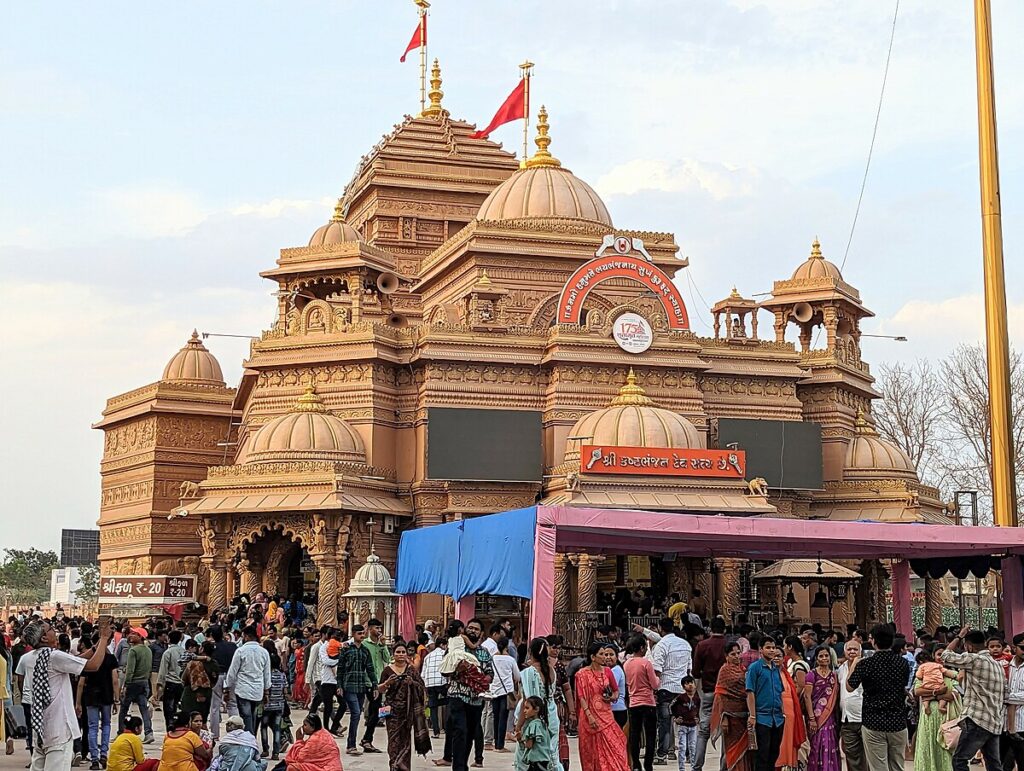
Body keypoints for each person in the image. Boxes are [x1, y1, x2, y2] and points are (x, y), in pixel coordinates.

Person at [24, 616, 116, 771]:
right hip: (59, 729)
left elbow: (74, 660)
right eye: (51, 629)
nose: (55, 631)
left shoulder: (33, 657)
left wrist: (98, 645)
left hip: (40, 729)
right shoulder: (54, 656)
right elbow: (93, 666)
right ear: (45, 637)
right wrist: (105, 638)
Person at [846, 624, 911, 771]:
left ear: (874, 641)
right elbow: (904, 684)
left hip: (873, 722)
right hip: (897, 721)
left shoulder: (866, 664)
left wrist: (854, 665)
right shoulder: (903, 663)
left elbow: (850, 687)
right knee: (897, 765)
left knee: (878, 767)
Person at [942, 627, 1007, 771]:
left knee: (959, 760)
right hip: (994, 721)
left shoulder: (974, 659)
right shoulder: (998, 666)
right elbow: (1005, 693)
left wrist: (959, 636)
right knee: (994, 764)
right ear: (985, 643)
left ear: (968, 646)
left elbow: (945, 655)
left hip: (976, 720)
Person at [441, 619, 493, 771]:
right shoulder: (455, 646)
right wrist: (458, 669)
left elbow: (490, 674)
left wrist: (480, 679)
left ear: (481, 633)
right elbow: (445, 670)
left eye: (476, 629)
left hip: (476, 700)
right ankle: (458, 767)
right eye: (470, 628)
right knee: (460, 731)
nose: (472, 631)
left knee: (470, 733)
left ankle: (462, 764)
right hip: (457, 696)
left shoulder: (484, 653)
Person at [574, 640, 630, 771]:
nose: (605, 657)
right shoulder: (581, 674)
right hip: (589, 716)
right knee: (590, 750)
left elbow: (616, 691)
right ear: (593, 657)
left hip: (606, 715)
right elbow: (581, 697)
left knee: (616, 744)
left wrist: (612, 697)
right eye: (602, 654)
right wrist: (589, 716)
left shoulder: (607, 672)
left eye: (607, 654)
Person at [379, 641, 431, 771]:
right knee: (393, 742)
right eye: (398, 652)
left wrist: (411, 682)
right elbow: (379, 689)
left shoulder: (411, 670)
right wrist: (388, 682)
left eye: (403, 652)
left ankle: (404, 768)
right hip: (392, 712)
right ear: (393, 654)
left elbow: (422, 688)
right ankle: (394, 766)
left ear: (406, 654)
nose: (401, 655)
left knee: (405, 742)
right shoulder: (387, 670)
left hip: (407, 712)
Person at [515, 637, 560, 771]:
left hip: (534, 720)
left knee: (527, 758)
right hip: (551, 718)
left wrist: (518, 727)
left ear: (530, 652)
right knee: (551, 755)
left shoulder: (528, 673)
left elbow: (528, 702)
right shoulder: (551, 670)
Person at [653, 617, 693, 765]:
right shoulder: (685, 644)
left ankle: (662, 755)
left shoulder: (661, 645)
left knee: (664, 722)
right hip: (683, 687)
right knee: (686, 721)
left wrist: (654, 689)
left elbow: (657, 670)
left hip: (666, 687)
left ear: (660, 628)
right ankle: (689, 754)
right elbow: (689, 668)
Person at [76, 632, 119, 770]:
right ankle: (104, 754)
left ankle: (94, 759)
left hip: (90, 696)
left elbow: (81, 683)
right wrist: (116, 699)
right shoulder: (111, 659)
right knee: (106, 725)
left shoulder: (88, 660)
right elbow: (115, 680)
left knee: (92, 727)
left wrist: (77, 702)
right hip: (106, 696)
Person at [913, 648, 960, 771]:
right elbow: (917, 691)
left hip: (947, 717)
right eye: (939, 654)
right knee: (928, 746)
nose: (941, 657)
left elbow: (952, 695)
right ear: (933, 655)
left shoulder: (952, 674)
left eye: (945, 655)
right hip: (928, 717)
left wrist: (929, 695)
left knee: (947, 745)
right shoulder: (924, 673)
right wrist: (937, 693)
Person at [337, 623, 379, 756]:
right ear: (353, 635)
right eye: (359, 634)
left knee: (357, 714)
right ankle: (351, 745)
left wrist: (374, 685)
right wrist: (339, 686)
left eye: (363, 633)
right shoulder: (346, 650)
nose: (362, 636)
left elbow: (370, 669)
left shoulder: (365, 651)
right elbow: (341, 669)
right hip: (349, 686)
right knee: (355, 713)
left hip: (361, 686)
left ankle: (352, 744)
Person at [693, 617, 729, 771]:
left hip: (708, 691)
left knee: (703, 732)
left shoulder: (702, 645)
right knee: (727, 732)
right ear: (725, 630)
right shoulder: (729, 645)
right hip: (726, 693)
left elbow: (695, 672)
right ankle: (724, 767)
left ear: (710, 630)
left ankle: (697, 766)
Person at [223, 625, 271, 737]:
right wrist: (267, 691)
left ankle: (249, 740)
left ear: (247, 637)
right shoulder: (264, 652)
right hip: (258, 690)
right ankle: (251, 738)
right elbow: (267, 674)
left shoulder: (240, 651)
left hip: (243, 689)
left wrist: (227, 688)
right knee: (253, 716)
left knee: (246, 716)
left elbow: (232, 672)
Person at [709, 641, 750, 771]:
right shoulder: (724, 671)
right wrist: (724, 717)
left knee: (745, 750)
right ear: (726, 656)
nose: (737, 656)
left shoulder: (743, 669)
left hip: (744, 716)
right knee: (731, 750)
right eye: (733, 654)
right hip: (731, 718)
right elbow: (720, 696)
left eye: (738, 653)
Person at [746, 636, 785, 771]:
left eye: (773, 647)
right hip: (762, 718)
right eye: (768, 647)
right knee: (762, 754)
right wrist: (752, 716)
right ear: (760, 649)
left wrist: (783, 713)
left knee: (774, 753)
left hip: (778, 718)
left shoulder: (776, 668)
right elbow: (750, 692)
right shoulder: (755, 668)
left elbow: (780, 691)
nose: (771, 650)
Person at [625, 635, 660, 771]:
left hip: (634, 703)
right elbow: (655, 684)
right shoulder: (646, 663)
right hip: (648, 702)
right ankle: (648, 764)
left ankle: (636, 764)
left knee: (635, 734)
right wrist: (658, 678)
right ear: (641, 648)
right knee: (651, 735)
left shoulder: (627, 664)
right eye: (645, 646)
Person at [359, 618, 391, 755]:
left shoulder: (380, 645)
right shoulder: (365, 644)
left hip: (380, 681)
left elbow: (387, 659)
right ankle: (366, 739)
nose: (379, 631)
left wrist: (383, 645)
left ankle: (367, 739)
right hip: (369, 682)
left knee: (376, 710)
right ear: (370, 629)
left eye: (380, 629)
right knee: (376, 709)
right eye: (377, 628)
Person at [777, 640, 810, 771]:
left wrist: (791, 699)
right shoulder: (789, 664)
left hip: (792, 709)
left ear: (790, 647)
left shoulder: (798, 665)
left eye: (785, 646)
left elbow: (801, 686)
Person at [806, 646, 840, 771]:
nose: (824, 658)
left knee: (830, 744)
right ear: (817, 658)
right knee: (817, 746)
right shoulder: (811, 674)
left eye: (826, 656)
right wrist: (811, 718)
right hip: (816, 717)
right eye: (821, 656)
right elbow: (807, 697)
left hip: (830, 718)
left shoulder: (834, 676)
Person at [837, 639, 867, 771]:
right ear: (844, 651)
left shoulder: (866, 667)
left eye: (855, 649)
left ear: (860, 652)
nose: (852, 652)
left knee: (867, 755)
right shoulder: (841, 669)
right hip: (847, 720)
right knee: (851, 755)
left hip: (864, 718)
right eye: (849, 649)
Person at [119, 629, 154, 740]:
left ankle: (121, 731)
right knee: (144, 709)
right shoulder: (148, 650)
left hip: (133, 683)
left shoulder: (133, 651)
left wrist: (125, 685)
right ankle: (149, 733)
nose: (131, 636)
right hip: (144, 683)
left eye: (134, 634)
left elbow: (130, 670)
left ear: (140, 637)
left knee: (124, 709)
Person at [488, 637, 521, 753]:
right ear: (507, 646)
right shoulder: (511, 660)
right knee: (503, 717)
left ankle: (495, 741)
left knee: (496, 717)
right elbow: (517, 676)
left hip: (494, 691)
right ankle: (500, 745)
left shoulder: (492, 659)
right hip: (507, 691)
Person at [207, 626, 238, 742]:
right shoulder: (232, 646)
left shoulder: (212, 647)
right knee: (232, 704)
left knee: (215, 706)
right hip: (231, 675)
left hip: (217, 676)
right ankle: (235, 732)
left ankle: (215, 734)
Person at [180, 641, 219, 723]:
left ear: (202, 649)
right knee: (202, 721)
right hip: (207, 694)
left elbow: (183, 679)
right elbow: (214, 680)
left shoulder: (193, 663)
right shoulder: (214, 663)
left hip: (191, 694)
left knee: (190, 720)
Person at [155, 630, 185, 733]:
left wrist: (159, 684)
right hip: (181, 683)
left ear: (169, 639)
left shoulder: (167, 652)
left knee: (168, 709)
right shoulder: (184, 652)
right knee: (179, 707)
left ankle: (170, 729)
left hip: (170, 683)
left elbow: (163, 670)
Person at [260, 653, 287, 761]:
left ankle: (265, 749)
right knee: (277, 729)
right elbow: (285, 691)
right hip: (279, 705)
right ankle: (275, 753)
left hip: (267, 706)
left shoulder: (266, 675)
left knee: (264, 727)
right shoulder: (282, 675)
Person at [516, 696, 552, 771]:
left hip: (536, 762)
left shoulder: (533, 725)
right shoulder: (543, 724)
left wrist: (520, 739)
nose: (524, 711)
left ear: (536, 709)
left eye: (527, 708)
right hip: (544, 761)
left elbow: (529, 745)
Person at [672, 676, 700, 771]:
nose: (690, 685)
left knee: (693, 747)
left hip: (693, 726)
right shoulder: (680, 698)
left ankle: (693, 767)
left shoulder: (697, 698)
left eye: (692, 682)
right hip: (682, 726)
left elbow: (700, 709)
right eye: (687, 684)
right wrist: (675, 717)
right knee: (682, 747)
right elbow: (671, 706)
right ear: (683, 687)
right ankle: (682, 768)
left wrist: (698, 718)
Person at [422, 637, 447, 739]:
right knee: (450, 700)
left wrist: (425, 686)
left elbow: (423, 674)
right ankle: (448, 728)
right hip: (442, 682)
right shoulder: (445, 654)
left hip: (430, 683)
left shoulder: (428, 656)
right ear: (442, 645)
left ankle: (436, 732)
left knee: (433, 707)